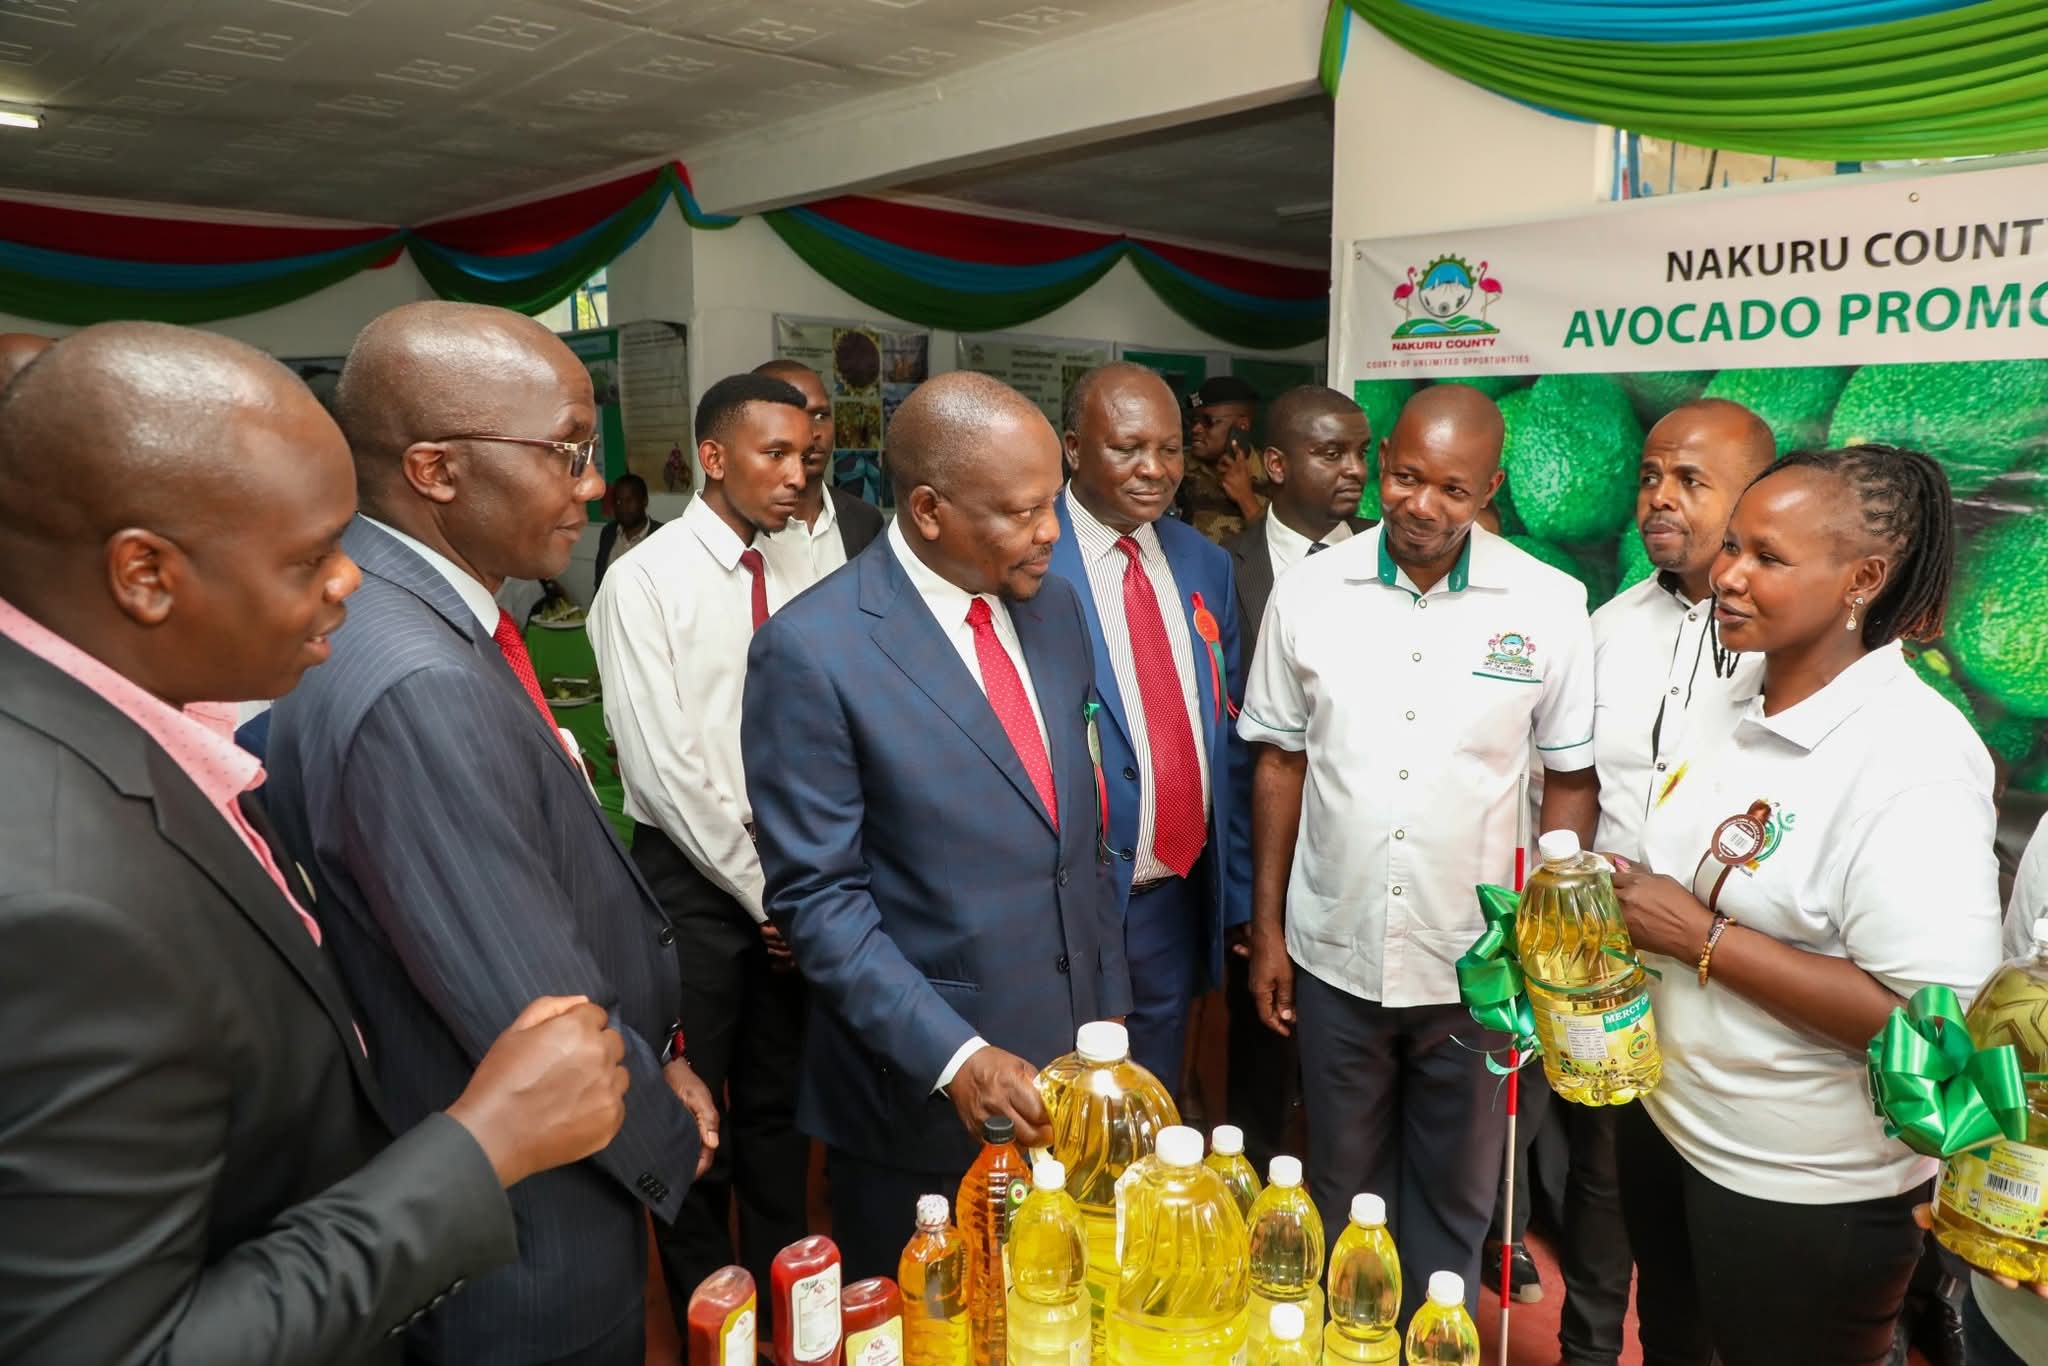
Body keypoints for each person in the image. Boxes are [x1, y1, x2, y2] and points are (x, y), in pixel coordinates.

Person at [0, 322, 633, 1364]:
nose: (349, 582)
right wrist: (480, 1149)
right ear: (145, 574)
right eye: (310, 557)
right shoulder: (62, 899)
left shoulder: (142, 731)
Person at [263, 301, 715, 1366]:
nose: (593, 484)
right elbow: (531, 1003)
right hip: (523, 1236)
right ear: (434, 469)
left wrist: (665, 1054)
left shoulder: (414, 620)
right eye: (567, 450)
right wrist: (666, 1129)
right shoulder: (420, 680)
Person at [1610, 444, 2002, 1366]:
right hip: (1672, 1124)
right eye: (1733, 546)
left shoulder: (1915, 760)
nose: (1728, 577)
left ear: (1864, 577)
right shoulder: (1727, 688)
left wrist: (1701, 937)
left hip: (1804, 1186)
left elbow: (1930, 1026)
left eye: (1768, 558)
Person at [742, 370, 1129, 1280]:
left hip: (1074, 1074)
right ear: (926, 510)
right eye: (1023, 511)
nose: (1050, 533)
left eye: (1054, 506)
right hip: (921, 1100)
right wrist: (954, 1059)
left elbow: (1075, 837)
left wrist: (1109, 1017)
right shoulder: (815, 651)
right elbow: (819, 899)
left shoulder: (1056, 607)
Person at [1239, 383, 1599, 1321]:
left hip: (1474, 970)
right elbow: (1279, 761)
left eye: (1454, 490)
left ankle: (1428, 1341)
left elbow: (1568, 780)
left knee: (1454, 1194)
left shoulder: (1552, 605)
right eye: (1404, 477)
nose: (1423, 507)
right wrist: (1268, 930)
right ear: (1382, 457)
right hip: (1333, 952)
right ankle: (1340, 1339)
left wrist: (1550, 943)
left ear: (1493, 490)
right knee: (1337, 1181)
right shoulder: (1310, 589)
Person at [1506, 398, 1776, 1364]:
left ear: (1758, 496)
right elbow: (1568, 783)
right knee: (1603, 1175)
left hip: (1740, 975)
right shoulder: (1607, 625)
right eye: (1651, 477)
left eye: (1691, 482)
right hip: (1610, 963)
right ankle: (1586, 1351)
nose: (1659, 498)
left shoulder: (1791, 650)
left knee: (1715, 1203)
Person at [588, 373, 813, 1336]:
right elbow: (665, 769)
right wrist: (772, 894)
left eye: (806, 456)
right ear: (713, 459)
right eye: (775, 455)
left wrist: (807, 888)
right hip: (695, 879)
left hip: (791, 880)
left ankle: (781, 1306)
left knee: (777, 1108)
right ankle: (711, 1320)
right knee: (692, 1120)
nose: (797, 476)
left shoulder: (797, 568)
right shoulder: (644, 580)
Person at [1048, 362, 1251, 1088]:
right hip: (1064, 903)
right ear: (1074, 448)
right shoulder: (1029, 561)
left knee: (1154, 1101)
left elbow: (1224, 738)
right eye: (1127, 448)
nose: (1154, 470)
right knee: (1062, 1108)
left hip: (1174, 893)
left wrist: (1240, 890)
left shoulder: (1207, 563)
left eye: (1168, 449)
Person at [1218, 383, 1371, 1171]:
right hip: (1259, 866)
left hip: (1368, 869)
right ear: (1275, 465)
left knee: (1358, 1085)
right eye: (1330, 452)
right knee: (1261, 1070)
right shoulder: (1217, 566)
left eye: (1362, 453)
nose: (1354, 471)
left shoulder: (1395, 557)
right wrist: (1250, 898)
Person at [753, 359, 884, 587]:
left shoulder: (865, 522)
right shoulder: (741, 524)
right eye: (793, 417)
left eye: (821, 416)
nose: (812, 433)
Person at [1178, 375, 1266, 542]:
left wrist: (1246, 498)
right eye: (1193, 420)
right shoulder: (1176, 468)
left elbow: (1280, 552)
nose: (1196, 429)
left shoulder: (1274, 476)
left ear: (1242, 426)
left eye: (1208, 421)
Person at [593, 473, 661, 590]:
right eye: (618, 501)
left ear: (644, 501)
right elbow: (599, 583)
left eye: (629, 501)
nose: (623, 507)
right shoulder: (608, 533)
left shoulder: (662, 535)